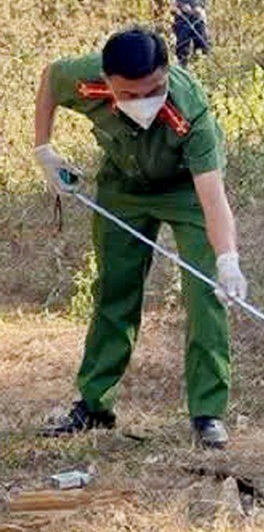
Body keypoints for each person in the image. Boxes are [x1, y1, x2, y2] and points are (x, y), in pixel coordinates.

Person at [34, 28, 246, 449]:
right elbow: (50, 79)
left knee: (206, 293)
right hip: (123, 188)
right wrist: (44, 150)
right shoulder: (84, 79)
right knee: (115, 290)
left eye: (154, 89)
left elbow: (212, 198)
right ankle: (94, 404)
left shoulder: (190, 110)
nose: (144, 101)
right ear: (107, 80)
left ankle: (207, 413)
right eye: (129, 95)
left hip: (185, 191)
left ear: (166, 72)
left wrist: (228, 260)